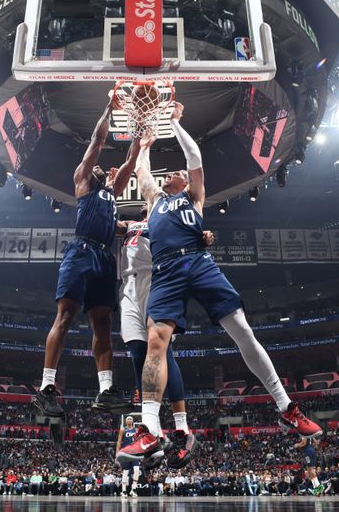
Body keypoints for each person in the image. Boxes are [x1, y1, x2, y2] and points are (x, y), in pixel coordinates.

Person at [117, 101, 321, 467]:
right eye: (173, 172)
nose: (175, 172)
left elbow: (194, 156)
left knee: (242, 331)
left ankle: (286, 406)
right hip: (164, 271)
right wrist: (144, 144)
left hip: (198, 264)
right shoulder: (154, 202)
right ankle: (148, 429)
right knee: (155, 343)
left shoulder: (194, 198)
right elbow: (144, 173)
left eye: (179, 172)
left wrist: (177, 123)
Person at [33, 99, 138, 418]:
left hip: (105, 259)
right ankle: (46, 388)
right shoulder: (83, 183)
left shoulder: (111, 195)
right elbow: (97, 141)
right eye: (94, 165)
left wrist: (141, 131)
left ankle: (106, 390)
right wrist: (109, 108)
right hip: (81, 250)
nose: (97, 164)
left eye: (100, 168)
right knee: (65, 315)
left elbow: (132, 160)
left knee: (104, 324)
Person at [116, 189, 214, 469]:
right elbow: (105, 225)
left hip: (159, 281)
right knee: (137, 354)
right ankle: (155, 433)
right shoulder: (131, 225)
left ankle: (182, 428)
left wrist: (206, 237)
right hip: (129, 286)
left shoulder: (171, 220)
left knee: (162, 353)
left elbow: (200, 236)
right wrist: (109, 189)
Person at [115, 416, 141, 496]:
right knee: (125, 472)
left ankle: (133, 489)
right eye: (128, 419)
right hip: (125, 453)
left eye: (130, 419)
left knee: (137, 470)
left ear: (133, 421)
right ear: (126, 421)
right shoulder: (123, 429)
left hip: (134, 453)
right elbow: (119, 441)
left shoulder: (136, 430)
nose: (129, 420)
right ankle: (124, 491)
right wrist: (117, 453)